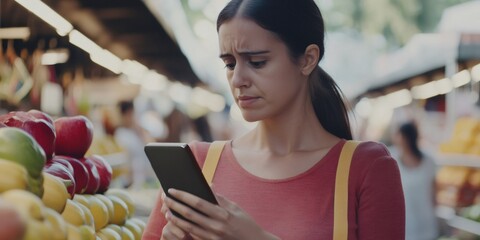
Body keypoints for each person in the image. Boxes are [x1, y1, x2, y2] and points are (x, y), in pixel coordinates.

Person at [143, 0, 405, 239]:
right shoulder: (199, 163)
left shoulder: (366, 168)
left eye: (256, 62)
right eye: (230, 64)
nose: (238, 80)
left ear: (308, 59)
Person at [390, 121, 439, 240]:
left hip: (427, 223)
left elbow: (434, 193)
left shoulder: (429, 161)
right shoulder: (392, 160)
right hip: (404, 225)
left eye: (398, 135)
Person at [114, 100, 156, 189]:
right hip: (131, 182)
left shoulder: (137, 131)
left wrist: (140, 130)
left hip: (145, 178)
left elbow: (152, 147)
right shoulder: (120, 134)